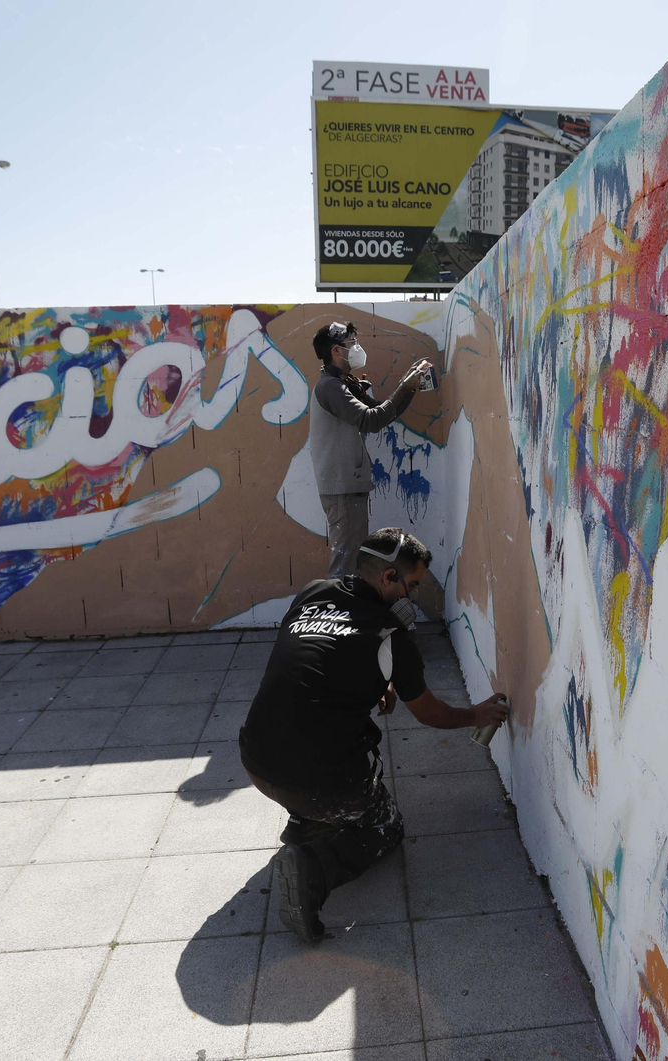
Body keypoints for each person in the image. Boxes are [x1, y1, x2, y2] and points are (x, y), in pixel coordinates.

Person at [238, 526, 511, 942]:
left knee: (307, 743)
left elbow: (317, 660)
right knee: (385, 826)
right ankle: (314, 869)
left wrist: (377, 680)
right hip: (318, 779)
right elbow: (430, 714)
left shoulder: (313, 592)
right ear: (388, 577)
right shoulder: (391, 637)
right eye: (412, 585)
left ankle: (307, 822)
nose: (412, 597)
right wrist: (476, 714)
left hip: (257, 761)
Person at [309, 320, 433, 578]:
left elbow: (382, 413)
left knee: (350, 560)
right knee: (345, 564)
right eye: (351, 343)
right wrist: (404, 386)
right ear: (336, 350)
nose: (357, 347)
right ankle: (335, 604)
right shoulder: (331, 387)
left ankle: (341, 602)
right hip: (343, 488)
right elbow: (372, 420)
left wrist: (408, 386)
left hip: (347, 487)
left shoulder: (340, 384)